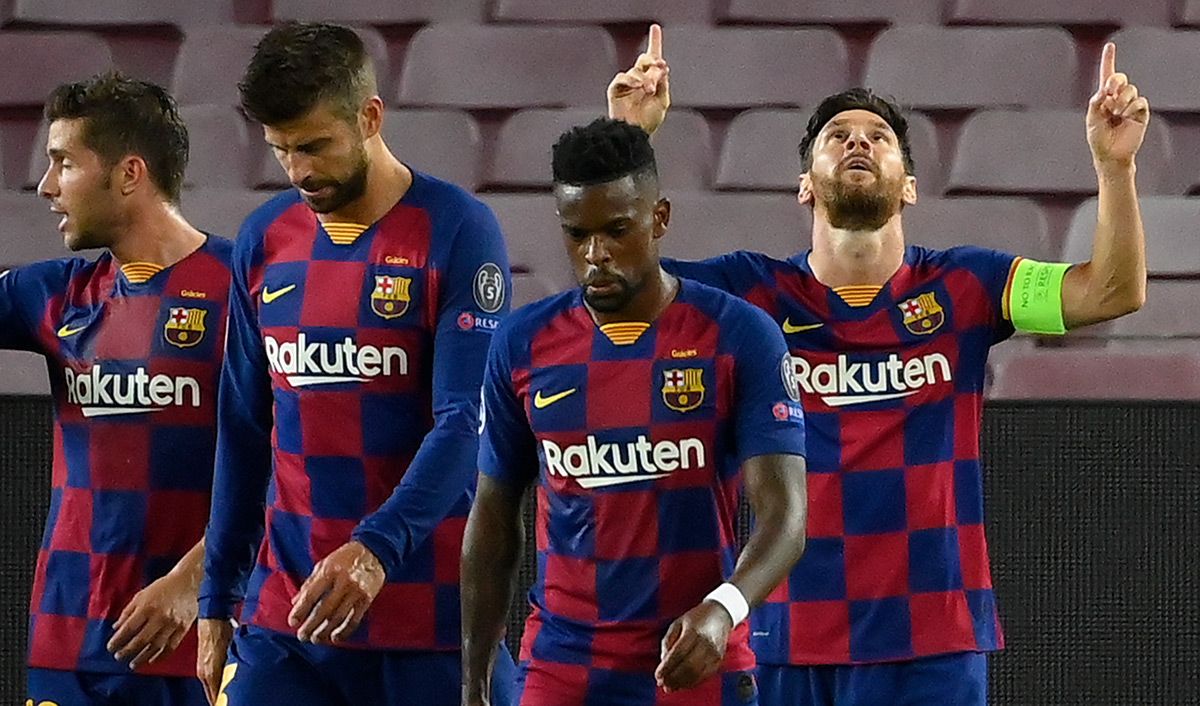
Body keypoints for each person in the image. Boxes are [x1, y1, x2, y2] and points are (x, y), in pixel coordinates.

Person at [609, 27, 1149, 705]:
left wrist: (1115, 167)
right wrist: (628, 139)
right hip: (785, 639)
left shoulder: (970, 286)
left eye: (878, 136)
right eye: (838, 135)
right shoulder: (751, 297)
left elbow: (1112, 291)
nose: (858, 141)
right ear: (805, 186)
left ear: (911, 187)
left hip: (933, 643)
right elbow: (619, 292)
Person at [195, 21, 514, 706]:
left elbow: (465, 425)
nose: (300, 170)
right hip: (287, 617)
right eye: (282, 150)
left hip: (425, 616)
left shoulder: (458, 229)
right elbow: (246, 427)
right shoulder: (265, 238)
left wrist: (375, 550)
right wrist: (219, 593)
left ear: (370, 117)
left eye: (315, 146)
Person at [460, 117, 809, 706]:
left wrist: (723, 611)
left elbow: (786, 517)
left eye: (617, 231)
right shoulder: (522, 343)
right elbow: (493, 519)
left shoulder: (738, 335)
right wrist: (473, 684)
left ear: (660, 218)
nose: (596, 254)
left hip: (697, 660)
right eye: (577, 235)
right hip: (563, 666)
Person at [0, 72, 231, 706]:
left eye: (63, 163)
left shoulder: (248, 291)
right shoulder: (50, 295)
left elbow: (290, 468)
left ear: (129, 173)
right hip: (65, 643)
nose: (46, 187)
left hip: (195, 647)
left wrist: (192, 582)